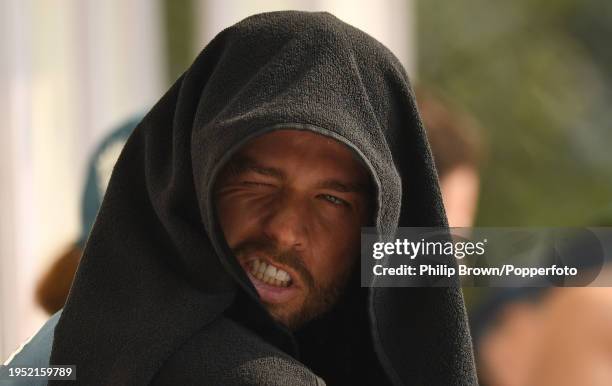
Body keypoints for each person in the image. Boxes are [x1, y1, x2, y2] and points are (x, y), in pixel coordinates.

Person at [4, 11, 477, 385]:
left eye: (333, 200)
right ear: (189, 185)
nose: (286, 229)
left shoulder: (62, 348)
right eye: (256, 184)